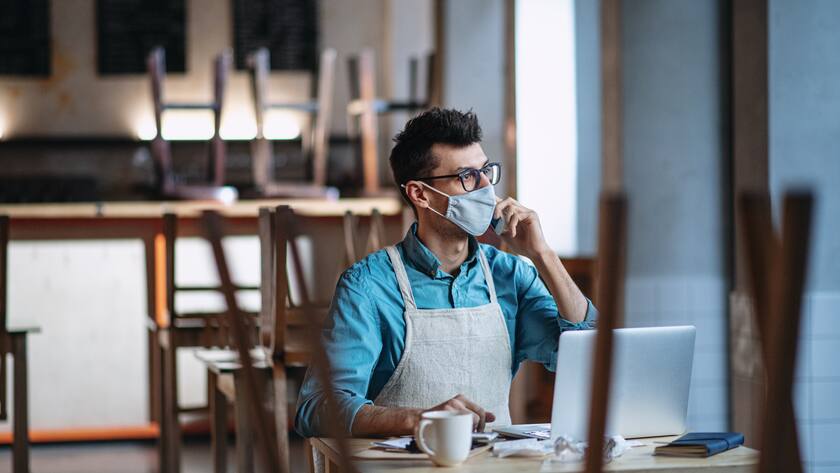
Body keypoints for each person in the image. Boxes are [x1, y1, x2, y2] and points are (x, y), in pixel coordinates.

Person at [295, 108, 597, 437]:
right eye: (467, 176)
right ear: (420, 194)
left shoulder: (511, 275)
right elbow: (315, 408)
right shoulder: (368, 286)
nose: (485, 188)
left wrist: (543, 255)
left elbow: (587, 356)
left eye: (486, 171)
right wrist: (417, 420)